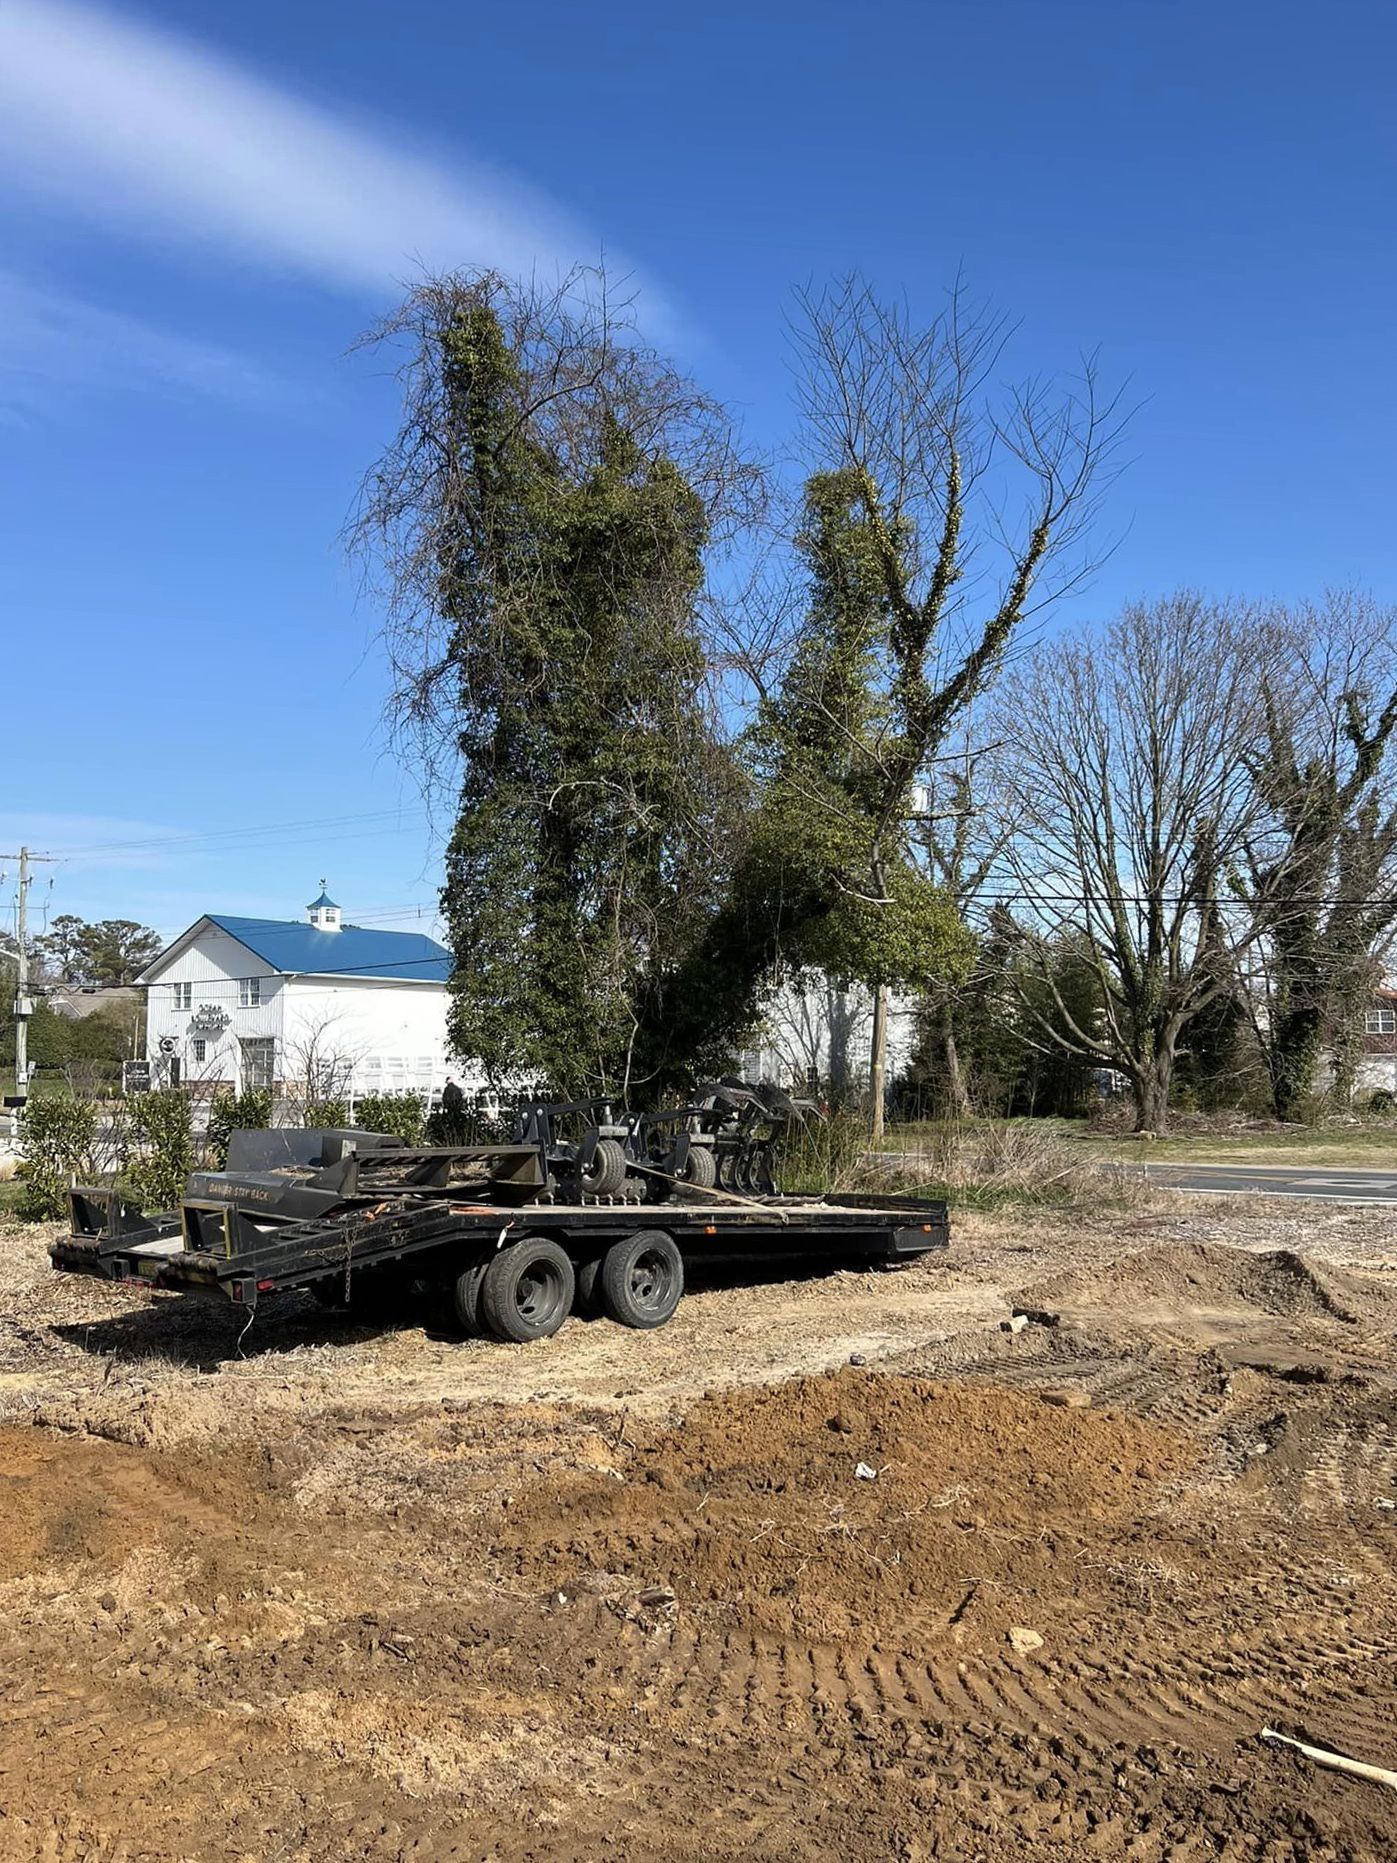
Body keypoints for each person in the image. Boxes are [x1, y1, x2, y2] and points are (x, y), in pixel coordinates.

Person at [439, 1075, 466, 1144]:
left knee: (451, 1126)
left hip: (450, 1110)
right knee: (457, 1126)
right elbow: (461, 1099)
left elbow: (445, 1100)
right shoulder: (457, 1089)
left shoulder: (447, 1089)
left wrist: (446, 1108)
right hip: (457, 1110)